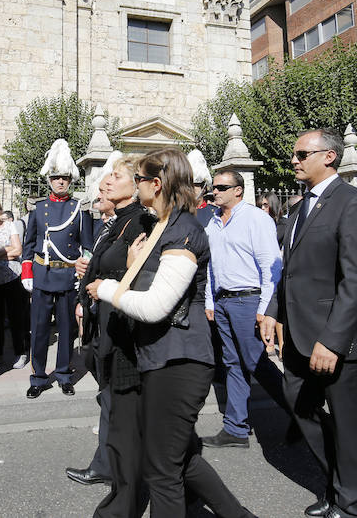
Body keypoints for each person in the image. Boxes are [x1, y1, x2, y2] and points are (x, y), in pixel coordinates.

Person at [87, 148, 252, 518]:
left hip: (180, 359)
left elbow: (157, 305)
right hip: (160, 356)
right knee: (180, 458)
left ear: (156, 184)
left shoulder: (184, 230)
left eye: (140, 179)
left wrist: (108, 290)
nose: (137, 184)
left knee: (162, 470)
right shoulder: (162, 224)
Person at [262, 127, 357, 518]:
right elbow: (292, 272)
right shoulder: (300, 208)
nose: (294, 160)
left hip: (341, 339)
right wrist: (271, 311)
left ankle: (351, 504)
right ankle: (336, 484)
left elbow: (356, 281)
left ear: (329, 156)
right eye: (295, 154)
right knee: (299, 406)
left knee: (348, 422)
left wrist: (333, 341)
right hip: (299, 335)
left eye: (302, 154)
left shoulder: (354, 204)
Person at [67, 154, 155, 489]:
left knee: (121, 399)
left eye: (115, 176)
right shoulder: (117, 221)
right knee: (111, 397)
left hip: (123, 323)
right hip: (105, 321)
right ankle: (109, 463)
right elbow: (104, 264)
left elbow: (139, 275)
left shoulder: (140, 223)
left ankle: (126, 469)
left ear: (136, 186)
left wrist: (104, 281)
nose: (105, 182)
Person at [201, 170, 287, 449]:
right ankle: (236, 428)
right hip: (224, 301)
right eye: (214, 187)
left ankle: (305, 415)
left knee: (256, 363)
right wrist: (210, 301)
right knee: (232, 363)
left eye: (222, 187)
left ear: (238, 190)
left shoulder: (255, 218)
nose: (216, 191)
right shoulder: (213, 223)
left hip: (249, 300)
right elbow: (211, 267)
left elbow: (271, 266)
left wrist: (265, 307)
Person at [21, 138, 93, 399]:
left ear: (70, 180)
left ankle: (63, 374)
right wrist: (27, 272)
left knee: (67, 330)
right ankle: (38, 377)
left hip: (68, 276)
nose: (60, 182)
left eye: (64, 178)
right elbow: (29, 244)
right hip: (43, 274)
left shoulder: (78, 209)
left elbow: (87, 248)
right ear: (49, 180)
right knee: (39, 329)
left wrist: (82, 279)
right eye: (56, 178)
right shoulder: (39, 208)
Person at [0, 198, 29, 370]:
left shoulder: (9, 226)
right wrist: (6, 252)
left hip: (12, 277)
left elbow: (18, 250)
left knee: (16, 317)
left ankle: (21, 351)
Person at [188, 149, 215, 226]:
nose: (189, 190)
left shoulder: (215, 213)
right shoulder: (176, 212)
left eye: (193, 186)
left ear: (204, 188)